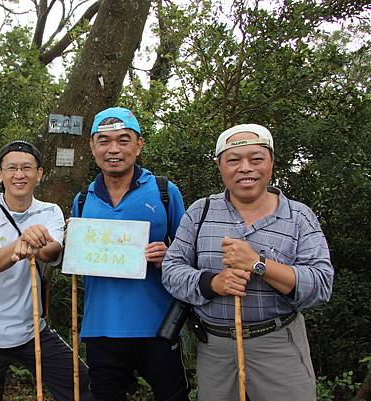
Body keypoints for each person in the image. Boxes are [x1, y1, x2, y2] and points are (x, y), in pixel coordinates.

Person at [162, 124, 334, 401]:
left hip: (278, 344)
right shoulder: (200, 211)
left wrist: (258, 264)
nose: (245, 168)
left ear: (272, 163)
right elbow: (172, 271)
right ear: (220, 165)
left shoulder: (299, 217)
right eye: (234, 160)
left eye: (256, 159)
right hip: (215, 348)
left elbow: (321, 284)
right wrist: (213, 282)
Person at [0, 140, 94, 401]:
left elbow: (52, 251)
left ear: (39, 173)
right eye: (11, 168)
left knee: (80, 381)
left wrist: (37, 244)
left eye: (26, 168)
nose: (18, 175)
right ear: (0, 174)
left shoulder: (49, 211)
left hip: (29, 328)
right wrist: (22, 242)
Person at [70, 107, 189, 401]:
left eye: (124, 140)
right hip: (100, 327)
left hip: (159, 325)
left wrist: (168, 256)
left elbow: (190, 254)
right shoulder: (83, 200)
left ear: (139, 144)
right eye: (104, 140)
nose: (114, 149)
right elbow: (77, 256)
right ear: (92, 146)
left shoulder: (164, 191)